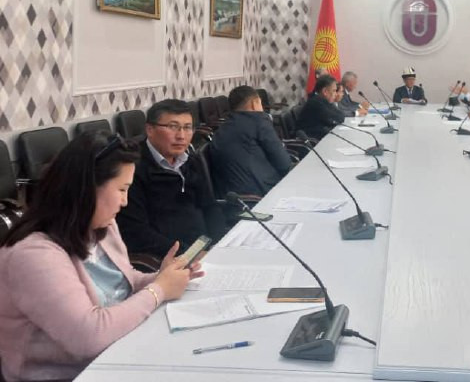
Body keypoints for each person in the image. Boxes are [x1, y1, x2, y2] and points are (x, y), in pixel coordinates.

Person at [0, 132, 202, 382]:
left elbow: (123, 283)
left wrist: (162, 278)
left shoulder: (101, 226)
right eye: (121, 189)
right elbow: (88, 336)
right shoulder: (32, 255)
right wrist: (159, 290)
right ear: (86, 189)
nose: (125, 201)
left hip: (119, 351)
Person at [117, 99, 226, 259]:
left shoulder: (192, 161)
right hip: (167, 259)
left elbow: (209, 206)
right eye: (173, 127)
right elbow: (136, 232)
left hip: (204, 250)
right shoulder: (132, 169)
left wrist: (219, 243)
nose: (181, 136)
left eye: (187, 128)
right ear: (150, 129)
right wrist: (188, 254)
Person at [210, 85, 293, 197]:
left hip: (232, 197)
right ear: (255, 104)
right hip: (262, 194)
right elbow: (284, 164)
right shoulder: (259, 122)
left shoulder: (220, 130)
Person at [296, 74, 346, 139]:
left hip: (317, 136)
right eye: (334, 91)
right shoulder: (316, 103)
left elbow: (340, 116)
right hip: (309, 140)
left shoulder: (321, 100)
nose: (335, 94)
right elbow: (337, 118)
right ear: (325, 91)